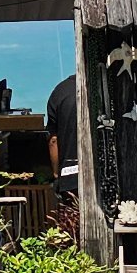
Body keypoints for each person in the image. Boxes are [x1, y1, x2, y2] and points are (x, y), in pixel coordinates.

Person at [46, 71, 82, 226]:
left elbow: (53, 140)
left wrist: (56, 173)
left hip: (69, 174)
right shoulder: (101, 86)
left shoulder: (60, 92)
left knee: (72, 225)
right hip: (103, 173)